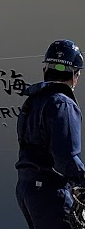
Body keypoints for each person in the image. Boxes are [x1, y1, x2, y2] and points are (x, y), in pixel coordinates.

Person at [16, 39, 85, 228]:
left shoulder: (33, 100)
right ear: (75, 74)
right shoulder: (62, 103)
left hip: (27, 189)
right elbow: (66, 157)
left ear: (45, 69)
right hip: (51, 192)